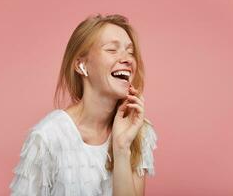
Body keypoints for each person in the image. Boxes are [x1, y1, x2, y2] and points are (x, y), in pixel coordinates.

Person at [9, 13, 157, 196]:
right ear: (81, 65)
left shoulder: (138, 132)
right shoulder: (48, 137)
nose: (127, 59)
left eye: (130, 51)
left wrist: (121, 147)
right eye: (112, 50)